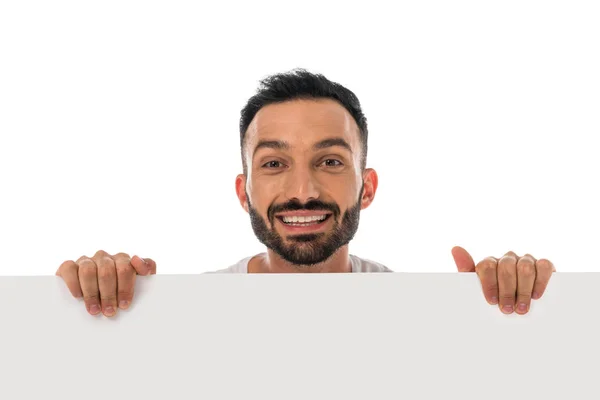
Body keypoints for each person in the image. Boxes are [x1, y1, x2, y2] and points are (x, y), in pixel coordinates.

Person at [56, 68, 556, 318]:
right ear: (243, 190)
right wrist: (92, 305)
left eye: (331, 161)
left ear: (368, 187)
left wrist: (500, 317)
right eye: (274, 163)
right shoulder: (193, 312)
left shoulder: (413, 314)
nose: (302, 190)